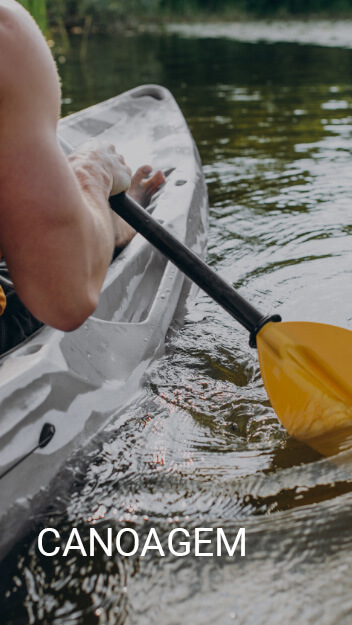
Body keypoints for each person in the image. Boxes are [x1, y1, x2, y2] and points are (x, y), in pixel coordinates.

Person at [0, 0, 165, 353]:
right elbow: (63, 296)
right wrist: (91, 171)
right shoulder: (5, 35)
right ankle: (106, 216)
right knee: (54, 262)